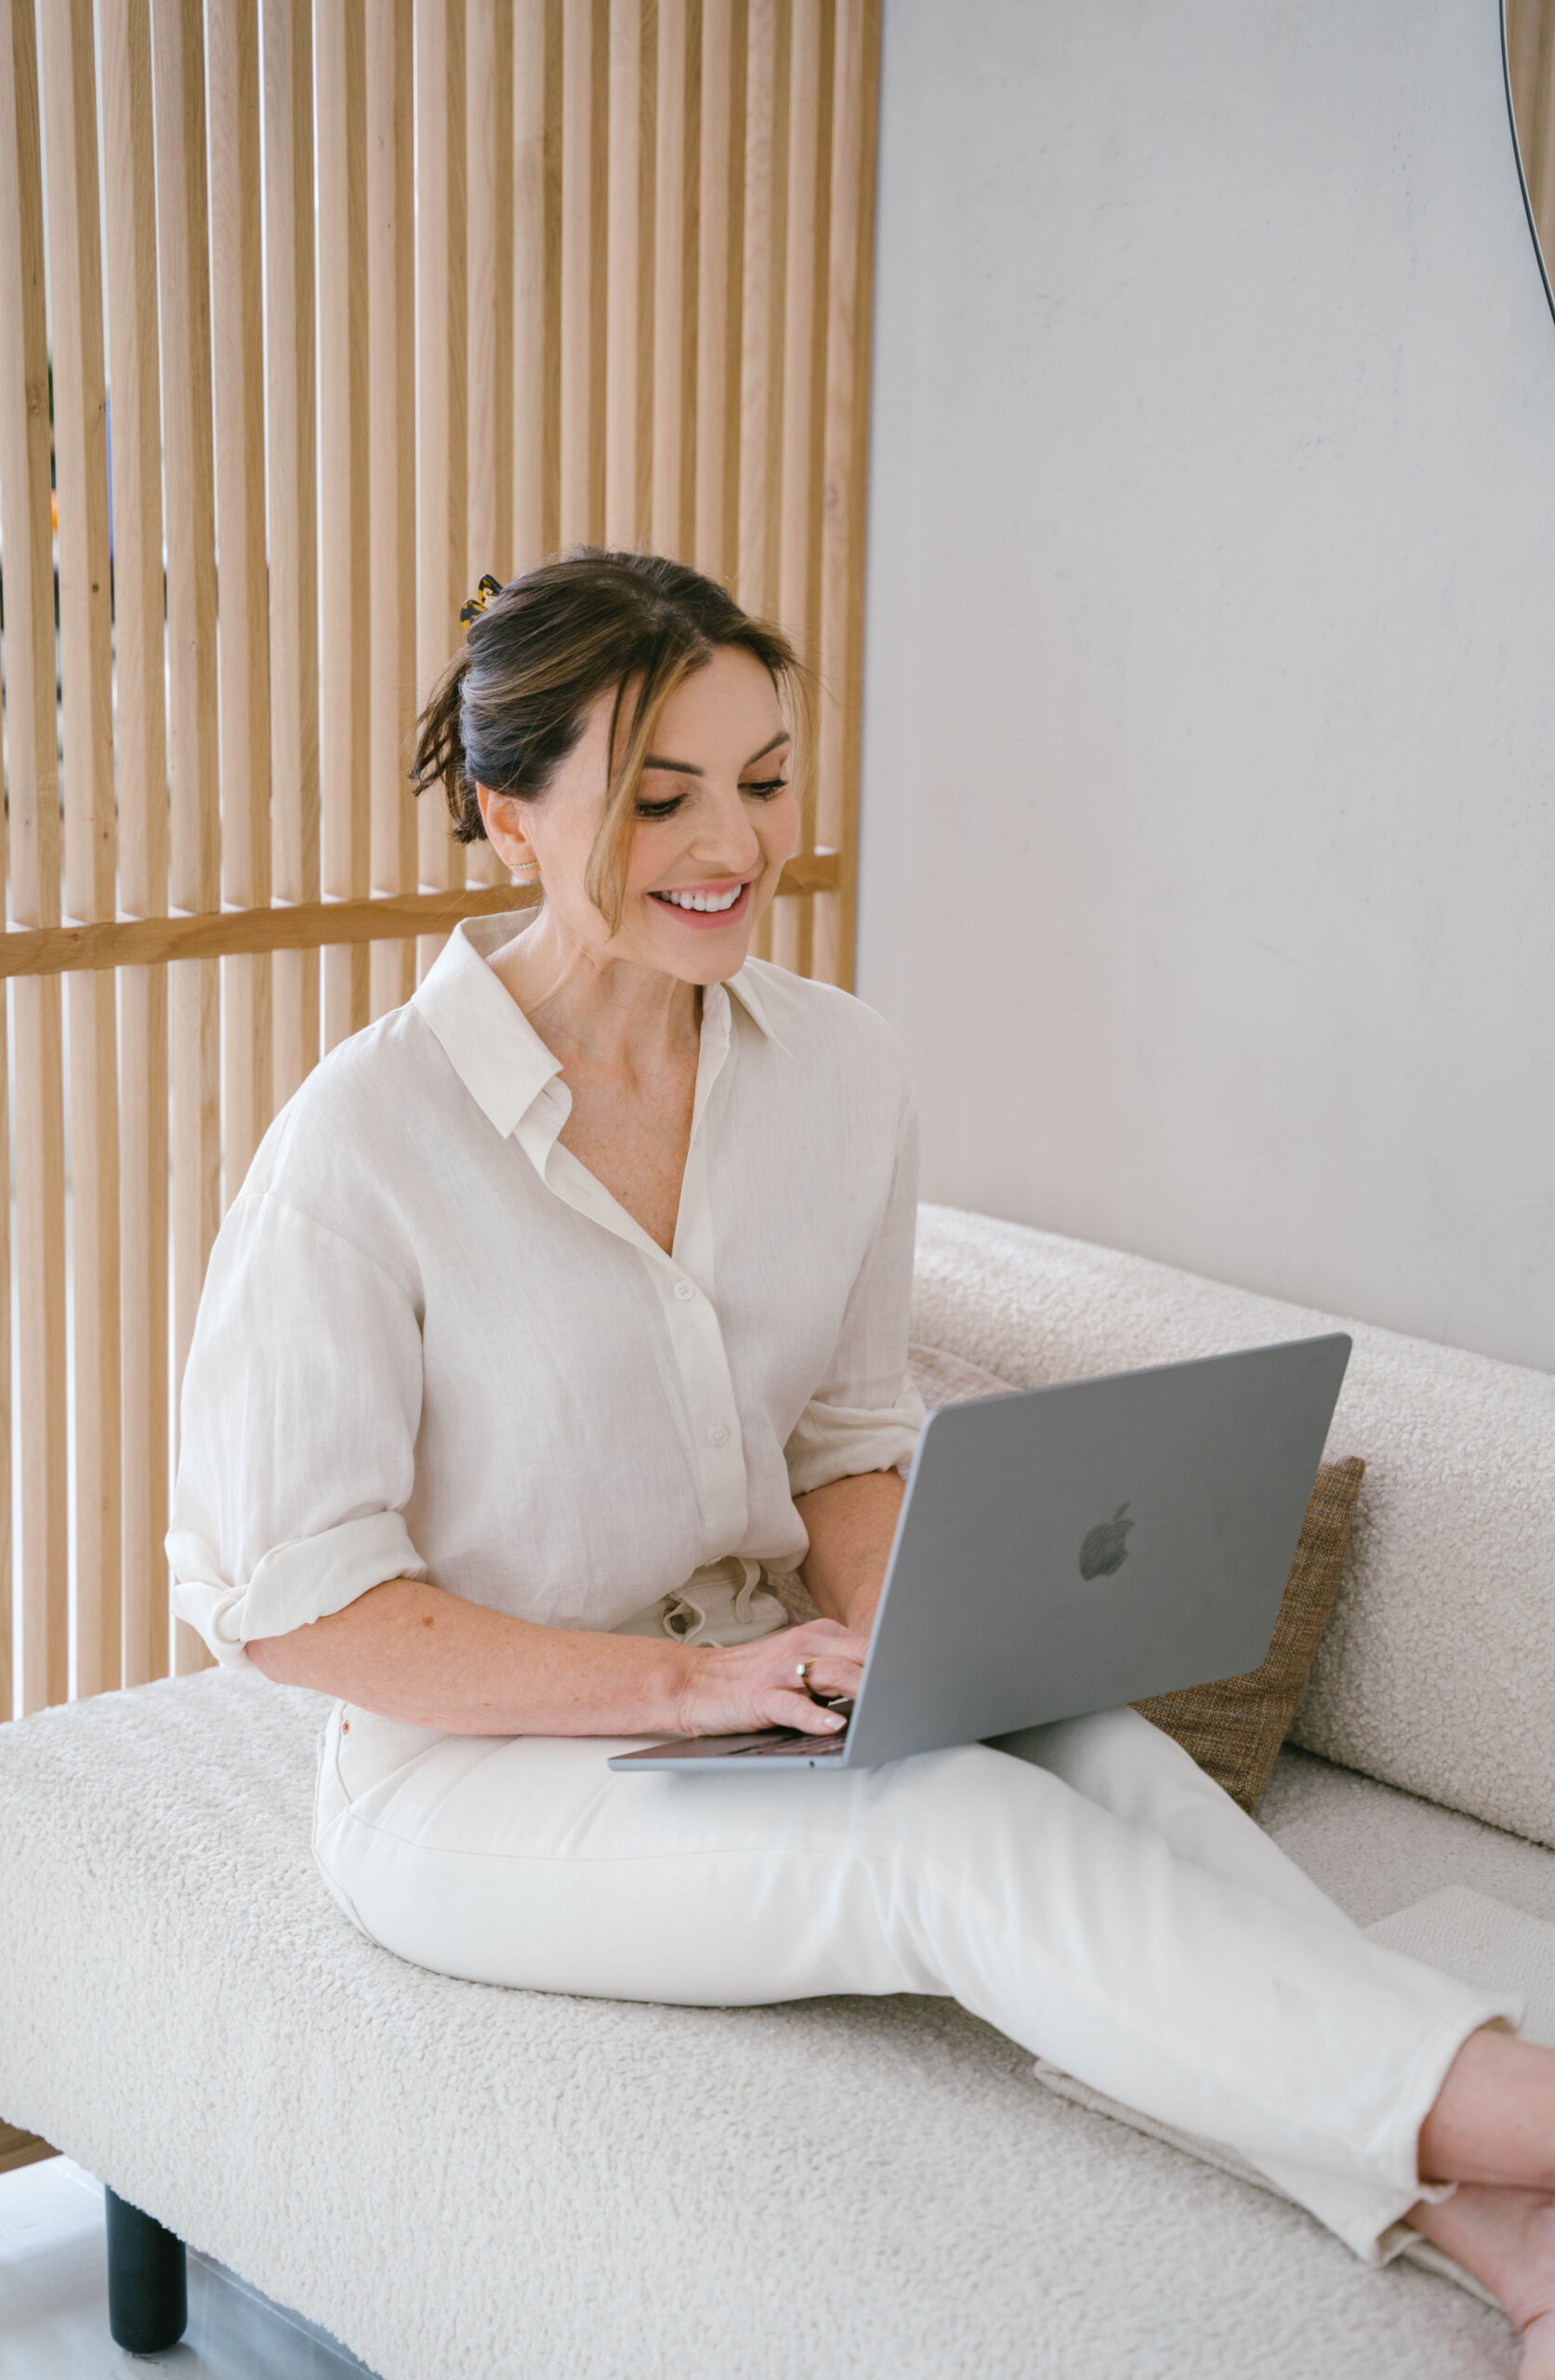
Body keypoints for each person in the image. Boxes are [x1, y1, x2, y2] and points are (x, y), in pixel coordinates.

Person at [168, 549, 1555, 2370]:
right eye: (661, 794)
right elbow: (293, 1607)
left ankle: (1499, 2228)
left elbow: (839, 1434)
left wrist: (922, 1631)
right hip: (473, 1778)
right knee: (946, 1829)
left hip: (773, 1674)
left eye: (764, 775)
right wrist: (695, 1683)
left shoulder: (840, 1069)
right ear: (510, 815)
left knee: (1106, 1763)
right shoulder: (364, 1143)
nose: (731, 840)